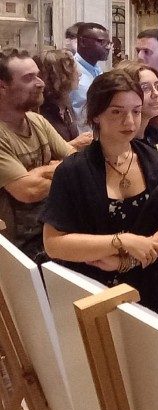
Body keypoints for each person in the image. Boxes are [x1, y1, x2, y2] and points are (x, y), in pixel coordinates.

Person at [41, 70, 158, 319]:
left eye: (136, 111)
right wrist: (121, 241)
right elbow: (54, 244)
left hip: (146, 287)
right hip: (86, 290)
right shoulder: (73, 170)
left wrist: (128, 260)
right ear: (96, 114)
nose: (129, 122)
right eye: (117, 112)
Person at [0, 48, 74, 261]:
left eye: (38, 75)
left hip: (50, 235)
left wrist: (43, 171)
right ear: (2, 87)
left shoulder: (38, 121)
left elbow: (78, 163)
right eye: (28, 78)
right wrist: (59, 168)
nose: (40, 83)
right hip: (16, 250)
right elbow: (28, 191)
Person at [33, 50, 93, 150]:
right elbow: (43, 153)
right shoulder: (39, 110)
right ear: (60, 76)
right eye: (73, 71)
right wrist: (75, 143)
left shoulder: (65, 103)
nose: (79, 75)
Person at [115, 60, 158, 152]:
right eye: (145, 88)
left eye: (157, 86)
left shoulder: (152, 134)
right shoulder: (118, 145)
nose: (156, 94)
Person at [70, 22, 111, 132]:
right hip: (81, 138)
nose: (108, 47)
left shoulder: (98, 71)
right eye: (101, 42)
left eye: (109, 43)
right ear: (83, 42)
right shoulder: (70, 71)